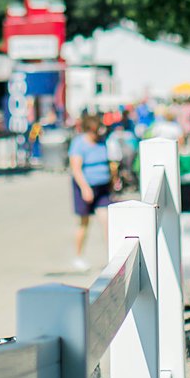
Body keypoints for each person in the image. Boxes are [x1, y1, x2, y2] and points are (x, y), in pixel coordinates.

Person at [68, 112, 113, 270]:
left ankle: (111, 257)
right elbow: (76, 168)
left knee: (106, 221)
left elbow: (110, 163)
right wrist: (85, 188)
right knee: (84, 222)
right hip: (85, 187)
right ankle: (78, 256)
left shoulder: (102, 142)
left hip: (102, 186)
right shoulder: (79, 143)